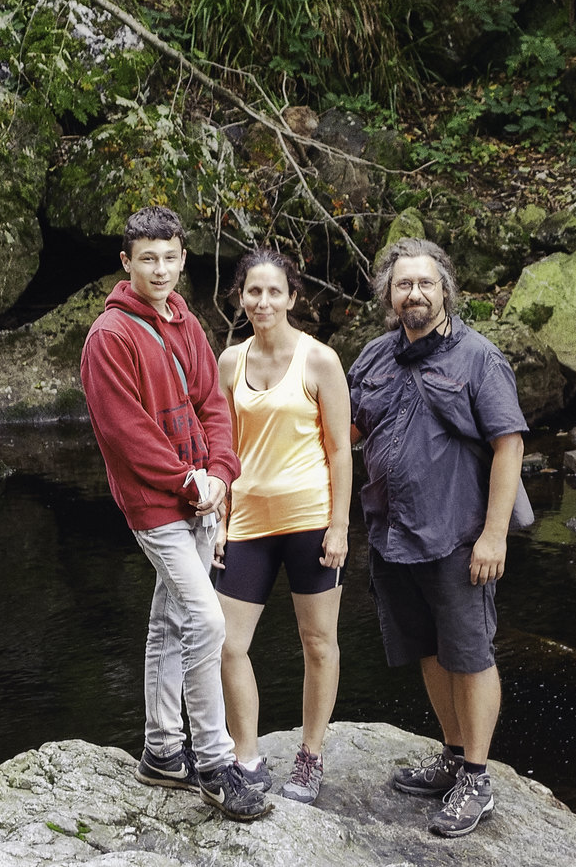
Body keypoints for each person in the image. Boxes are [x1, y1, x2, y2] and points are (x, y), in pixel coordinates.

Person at [80, 206, 270, 821]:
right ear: (126, 263)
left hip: (201, 494)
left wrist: (220, 474)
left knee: (168, 623)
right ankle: (215, 763)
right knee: (207, 621)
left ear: (183, 259)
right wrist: (190, 484)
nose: (160, 269)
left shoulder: (186, 321)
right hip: (155, 506)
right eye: (147, 259)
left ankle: (163, 752)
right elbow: (125, 433)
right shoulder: (110, 337)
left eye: (170, 257)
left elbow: (214, 404)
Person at [347, 237, 527, 838]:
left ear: (445, 289)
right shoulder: (373, 358)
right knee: (428, 649)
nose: (414, 293)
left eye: (425, 283)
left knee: (470, 654)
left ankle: (476, 778)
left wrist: (494, 536)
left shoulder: (479, 358)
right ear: (389, 295)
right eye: (403, 284)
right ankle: (451, 756)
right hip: (393, 536)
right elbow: (342, 432)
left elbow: (509, 445)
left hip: (458, 537)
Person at [210, 247, 352, 805]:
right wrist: (219, 523)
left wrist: (339, 526)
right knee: (227, 645)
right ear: (240, 298)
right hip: (246, 521)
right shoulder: (230, 362)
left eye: (274, 292)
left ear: (293, 298)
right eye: (253, 291)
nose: (262, 301)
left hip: (310, 521)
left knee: (317, 642)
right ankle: (247, 758)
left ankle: (311, 756)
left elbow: (340, 450)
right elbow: (222, 449)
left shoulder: (320, 361)